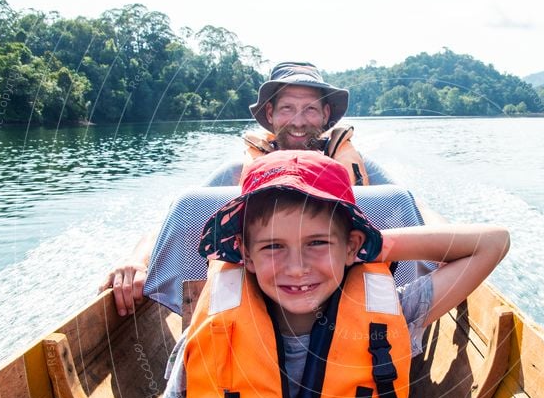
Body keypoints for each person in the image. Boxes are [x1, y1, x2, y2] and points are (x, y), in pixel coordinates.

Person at [127, 150, 509, 398]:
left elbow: (492, 243)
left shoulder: (398, 314)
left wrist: (376, 246)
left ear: (351, 246)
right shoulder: (209, 338)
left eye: (317, 243)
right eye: (274, 247)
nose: (296, 268)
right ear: (246, 255)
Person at [99, 61, 393, 317]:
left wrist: (440, 246)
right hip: (264, 288)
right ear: (271, 114)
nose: (299, 122)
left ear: (326, 114)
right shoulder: (238, 171)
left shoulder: (354, 164)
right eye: (287, 108)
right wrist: (137, 259)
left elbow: (410, 209)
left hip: (344, 288)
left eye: (310, 110)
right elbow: (180, 219)